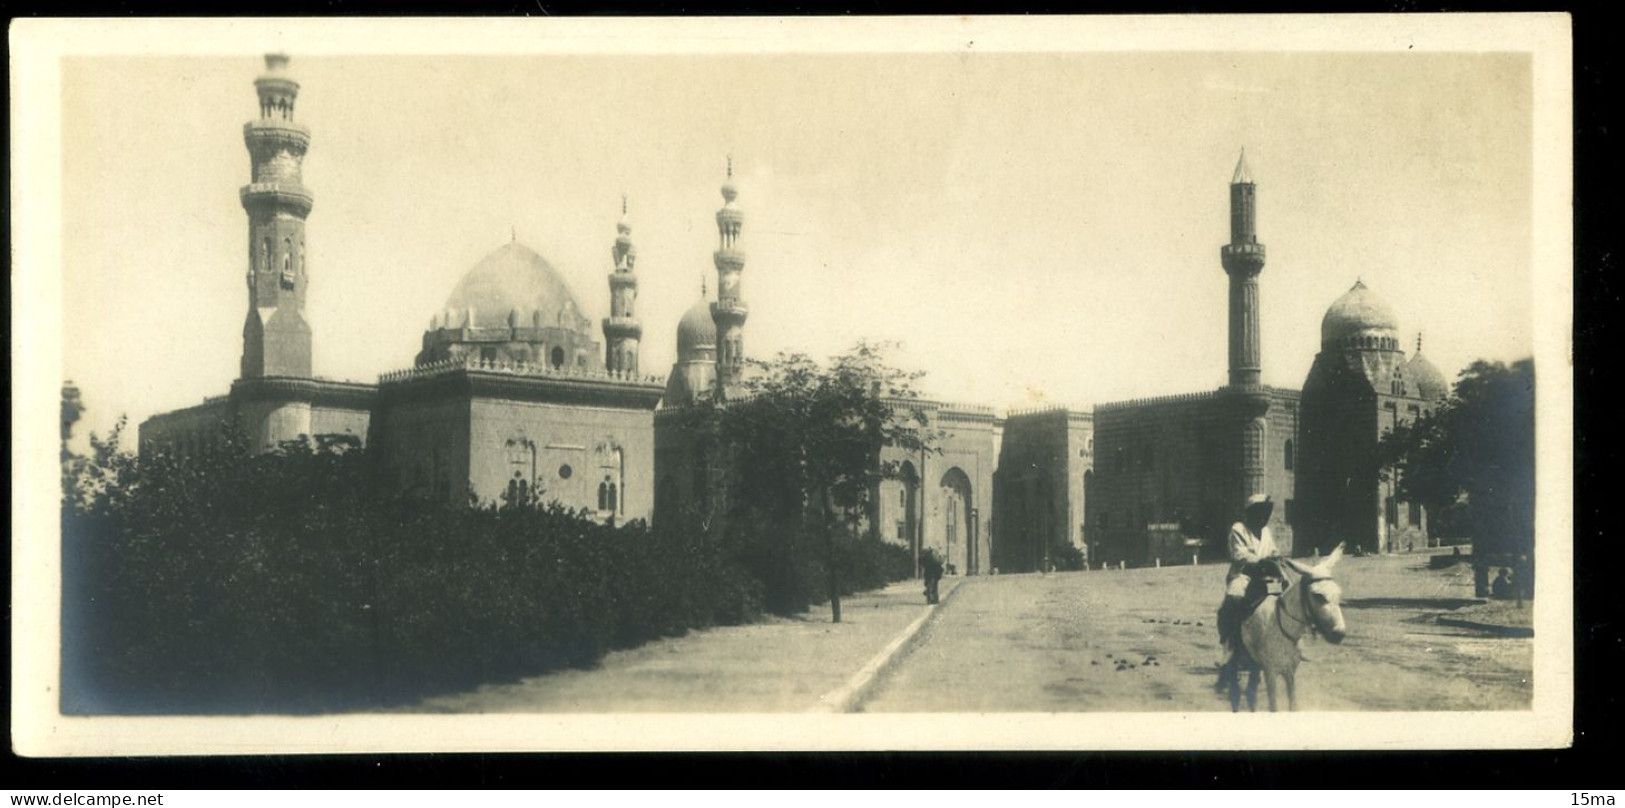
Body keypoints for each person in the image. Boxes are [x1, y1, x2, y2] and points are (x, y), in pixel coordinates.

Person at [1216, 494, 1281, 670]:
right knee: (1233, 600)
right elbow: (1239, 555)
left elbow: (1273, 550)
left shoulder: (1266, 532)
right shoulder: (1238, 529)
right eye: (1260, 513)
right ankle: (1228, 647)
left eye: (1267, 513)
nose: (1264, 518)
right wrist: (1261, 560)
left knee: (1286, 594)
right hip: (1243, 575)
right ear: (1250, 514)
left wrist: (1275, 556)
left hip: (1265, 575)